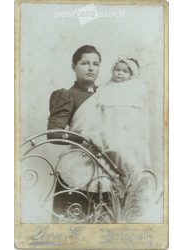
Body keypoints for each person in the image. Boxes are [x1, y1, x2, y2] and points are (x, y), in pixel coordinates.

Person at [69, 56, 157, 222]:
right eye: (117, 70)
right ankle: (111, 202)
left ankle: (129, 200)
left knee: (127, 162)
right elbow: (96, 111)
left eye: (125, 71)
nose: (120, 73)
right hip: (107, 129)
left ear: (131, 75)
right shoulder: (106, 88)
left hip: (125, 131)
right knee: (108, 161)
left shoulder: (135, 88)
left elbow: (137, 117)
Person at [47, 45, 112, 223]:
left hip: (104, 167)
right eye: (85, 63)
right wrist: (84, 138)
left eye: (96, 64)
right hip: (76, 167)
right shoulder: (66, 95)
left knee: (104, 226)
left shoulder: (109, 95)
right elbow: (53, 134)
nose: (91, 68)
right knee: (72, 224)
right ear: (73, 66)